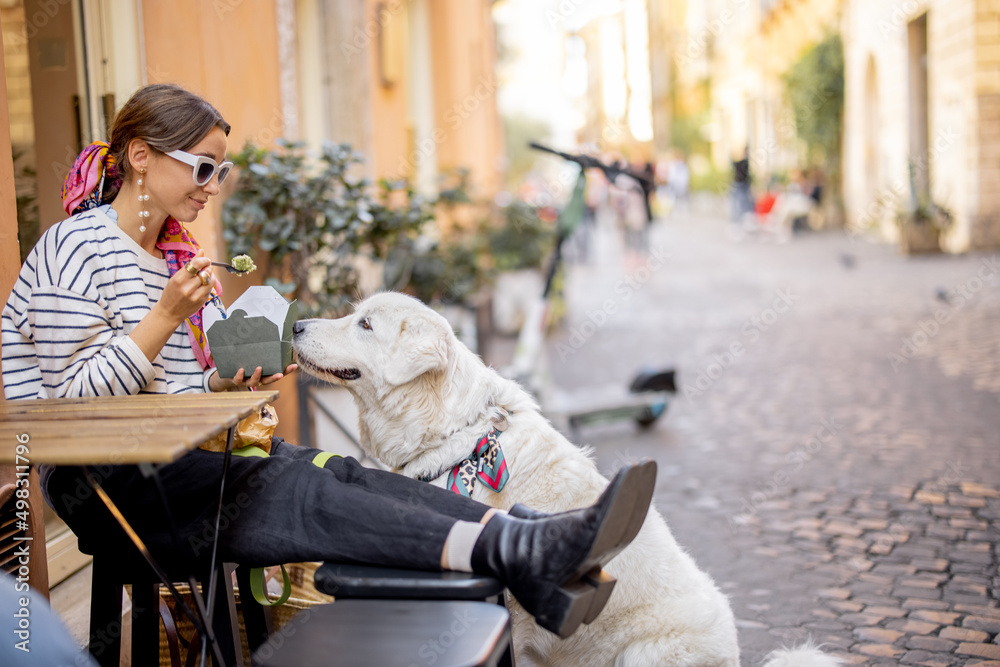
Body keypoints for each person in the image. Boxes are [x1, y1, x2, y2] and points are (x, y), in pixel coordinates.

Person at [1, 84, 654, 641]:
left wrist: (215, 382)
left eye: (220, 172)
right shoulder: (75, 246)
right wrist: (165, 318)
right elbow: (74, 410)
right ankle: (521, 554)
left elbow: (155, 392)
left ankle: (522, 536)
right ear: (140, 159)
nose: (214, 187)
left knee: (337, 470)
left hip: (165, 461)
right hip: (105, 487)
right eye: (204, 168)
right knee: (291, 487)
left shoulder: (164, 258)